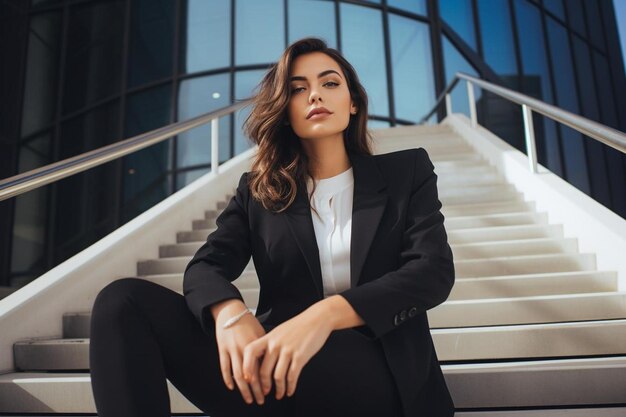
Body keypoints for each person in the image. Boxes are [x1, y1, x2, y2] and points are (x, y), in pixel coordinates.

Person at [89, 37, 456, 417]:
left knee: (312, 347)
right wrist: (230, 314)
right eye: (298, 89)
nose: (315, 95)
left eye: (330, 83)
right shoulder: (259, 192)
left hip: (380, 374)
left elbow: (431, 271)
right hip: (276, 374)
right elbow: (206, 267)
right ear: (285, 111)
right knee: (123, 302)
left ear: (353, 103)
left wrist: (323, 316)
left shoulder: (405, 172)